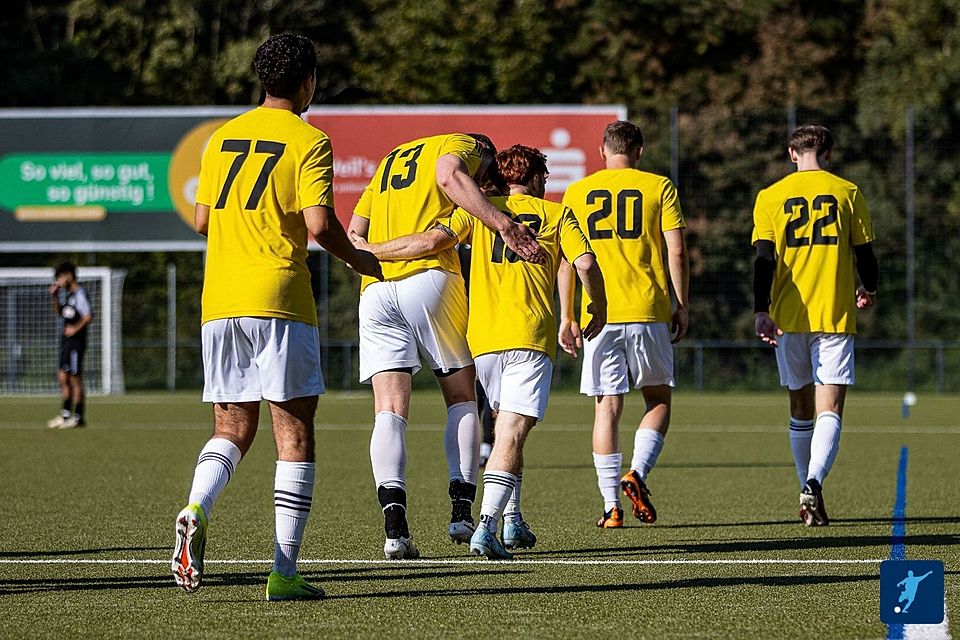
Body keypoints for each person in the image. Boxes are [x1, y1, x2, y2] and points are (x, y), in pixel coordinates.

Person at [170, 33, 382, 601]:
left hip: (220, 301)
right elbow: (318, 225)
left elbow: (200, 220)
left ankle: (196, 507)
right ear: (307, 80)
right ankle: (284, 572)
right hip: (281, 300)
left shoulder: (221, 139)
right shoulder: (309, 141)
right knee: (294, 431)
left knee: (230, 428)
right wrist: (362, 259)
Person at [355, 144, 606, 559]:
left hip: (484, 340)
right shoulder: (558, 214)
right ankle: (485, 523)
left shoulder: (476, 210)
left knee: (504, 427)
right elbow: (585, 264)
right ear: (540, 178)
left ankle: (512, 519)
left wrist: (367, 252)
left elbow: (430, 240)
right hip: (528, 336)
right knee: (510, 430)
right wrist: (597, 304)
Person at [558, 120, 689, 529]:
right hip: (648, 308)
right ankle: (638, 472)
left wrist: (567, 315)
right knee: (658, 400)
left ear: (601, 152)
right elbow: (677, 250)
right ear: (640, 151)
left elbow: (566, 260)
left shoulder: (577, 192)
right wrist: (681, 304)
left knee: (606, 409)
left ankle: (611, 506)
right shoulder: (659, 186)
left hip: (599, 314)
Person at [752, 124, 878, 527]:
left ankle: (806, 491)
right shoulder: (847, 192)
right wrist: (869, 287)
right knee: (831, 409)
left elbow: (763, 261)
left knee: (799, 408)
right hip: (835, 314)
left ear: (792, 153)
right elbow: (866, 255)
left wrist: (760, 309)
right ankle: (813, 483)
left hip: (788, 316)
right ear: (829, 153)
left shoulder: (770, 196)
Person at [47, 261, 92, 429]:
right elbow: (60, 312)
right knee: (62, 377)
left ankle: (79, 417)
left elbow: (88, 316)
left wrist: (75, 328)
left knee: (74, 378)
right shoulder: (68, 296)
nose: (59, 279)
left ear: (69, 275)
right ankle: (65, 415)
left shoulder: (80, 294)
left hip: (76, 343)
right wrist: (54, 296)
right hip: (66, 343)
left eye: (60, 276)